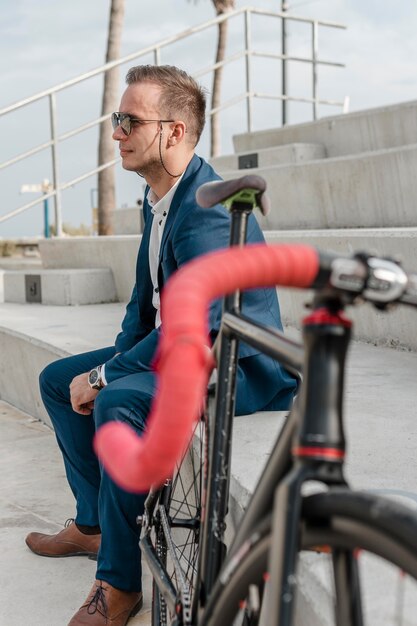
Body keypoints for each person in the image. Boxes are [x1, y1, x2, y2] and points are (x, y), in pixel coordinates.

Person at [25, 65, 297, 626]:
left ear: (173, 132)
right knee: (58, 380)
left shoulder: (206, 210)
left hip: (238, 365)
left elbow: (189, 325)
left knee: (115, 402)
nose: (116, 132)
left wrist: (106, 379)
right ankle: (95, 526)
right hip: (185, 349)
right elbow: (141, 312)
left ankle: (120, 586)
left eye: (129, 120)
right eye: (115, 119)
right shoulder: (162, 198)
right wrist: (107, 363)